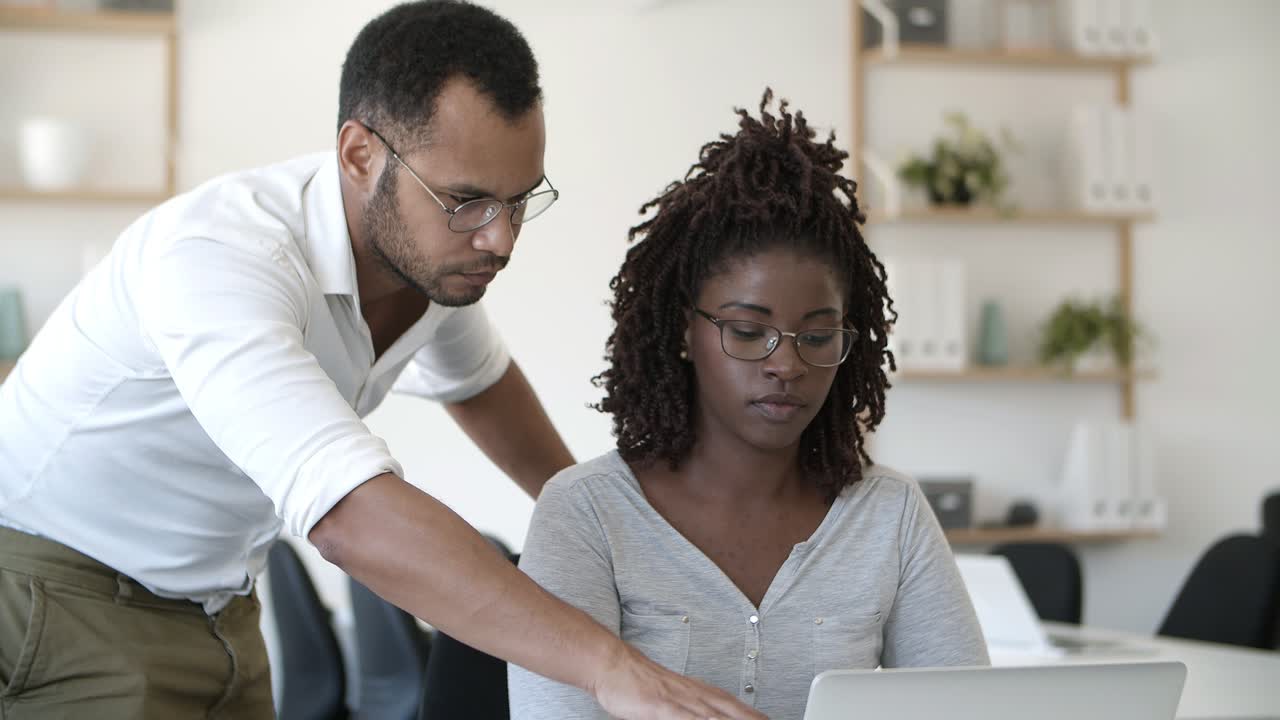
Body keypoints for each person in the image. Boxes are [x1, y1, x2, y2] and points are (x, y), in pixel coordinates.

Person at [0, 3, 764, 719]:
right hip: (59, 597)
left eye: (520, 200)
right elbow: (347, 517)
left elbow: (482, 385)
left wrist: (608, 530)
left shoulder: (427, 266)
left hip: (219, 610)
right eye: (467, 200)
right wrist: (611, 666)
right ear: (361, 154)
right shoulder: (220, 258)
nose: (500, 238)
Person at [509, 91, 990, 719]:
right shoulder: (586, 517)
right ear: (686, 331)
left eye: (817, 337)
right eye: (745, 331)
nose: (786, 364)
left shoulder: (888, 518)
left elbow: (966, 709)